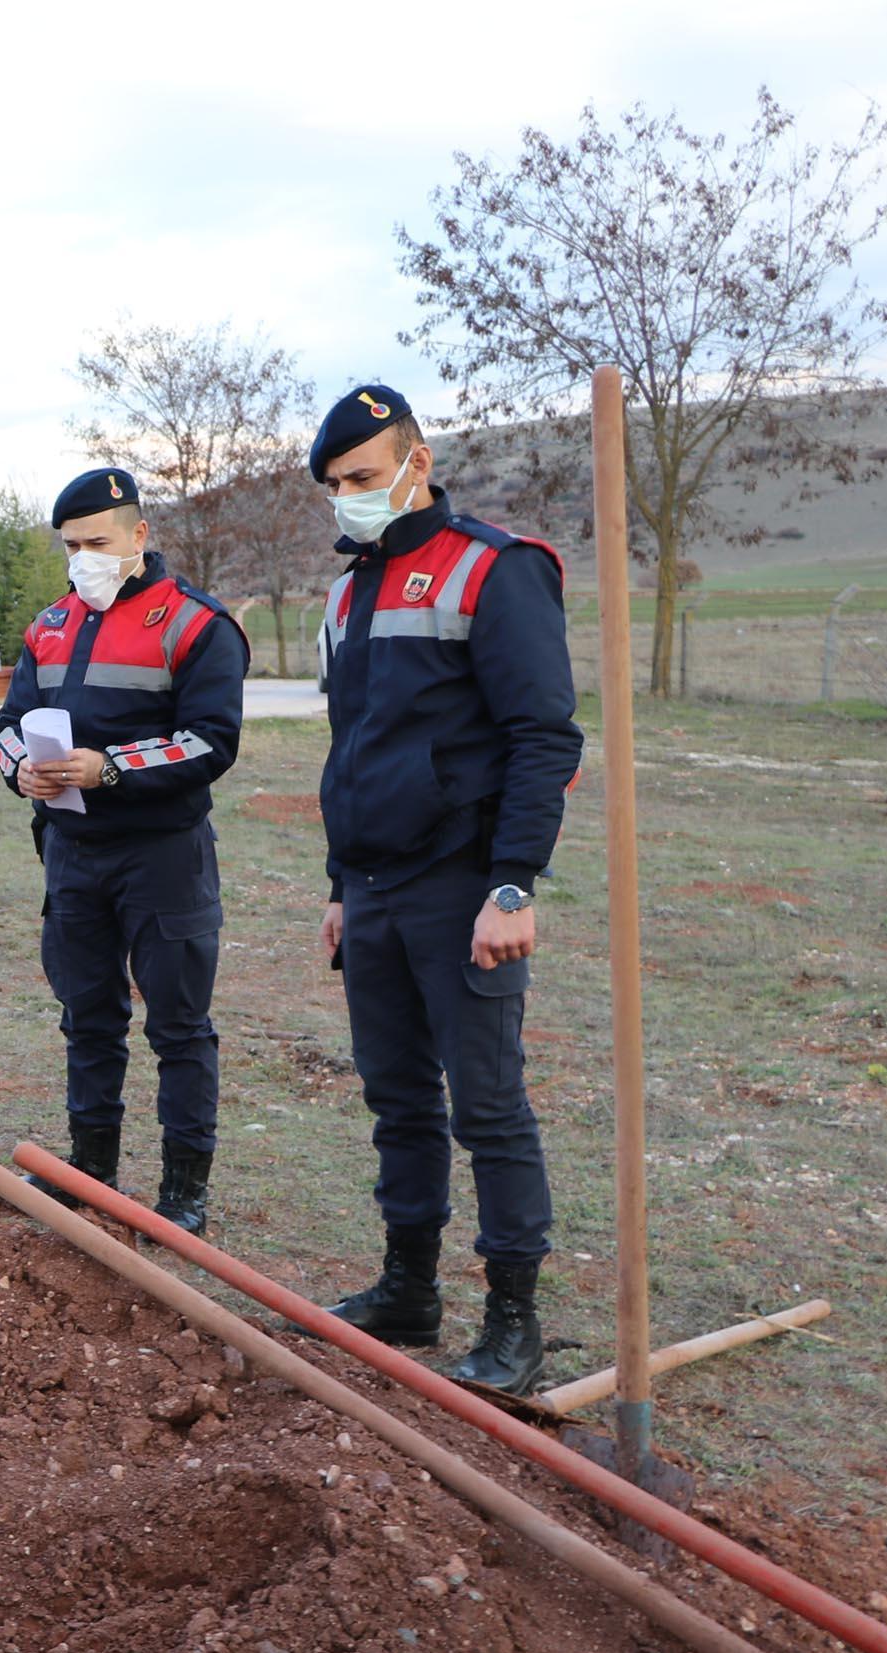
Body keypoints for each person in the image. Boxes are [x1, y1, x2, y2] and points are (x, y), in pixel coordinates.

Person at [308, 384, 582, 1395]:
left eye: (364, 477)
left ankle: (513, 1319)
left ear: (417, 461)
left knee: (491, 1108)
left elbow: (541, 736)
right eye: (336, 485)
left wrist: (514, 883)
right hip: (373, 890)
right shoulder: (347, 594)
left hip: (463, 884)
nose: (349, 497)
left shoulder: (492, 570)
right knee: (397, 1101)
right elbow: (354, 747)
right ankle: (409, 1287)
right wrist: (341, 882)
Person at [0, 467, 249, 1234]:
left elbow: (212, 741)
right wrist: (22, 771)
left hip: (163, 856)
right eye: (71, 546)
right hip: (72, 853)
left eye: (97, 542)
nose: (84, 559)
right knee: (88, 1016)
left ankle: (183, 1192)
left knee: (178, 1026)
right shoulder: (49, 626)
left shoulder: (197, 625)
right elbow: (8, 725)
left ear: (140, 535)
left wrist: (111, 769)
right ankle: (90, 1174)